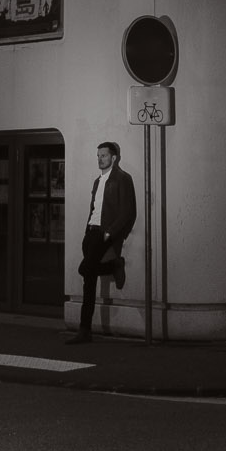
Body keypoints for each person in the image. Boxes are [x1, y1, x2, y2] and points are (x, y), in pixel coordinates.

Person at [67, 141, 135, 345]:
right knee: (88, 278)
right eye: (98, 156)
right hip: (91, 233)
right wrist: (87, 230)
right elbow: (94, 209)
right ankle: (85, 330)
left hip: (105, 234)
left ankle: (84, 329)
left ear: (114, 158)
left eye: (103, 156)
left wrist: (110, 233)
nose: (100, 159)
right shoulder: (97, 181)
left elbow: (127, 212)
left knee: (85, 270)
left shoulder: (122, 179)